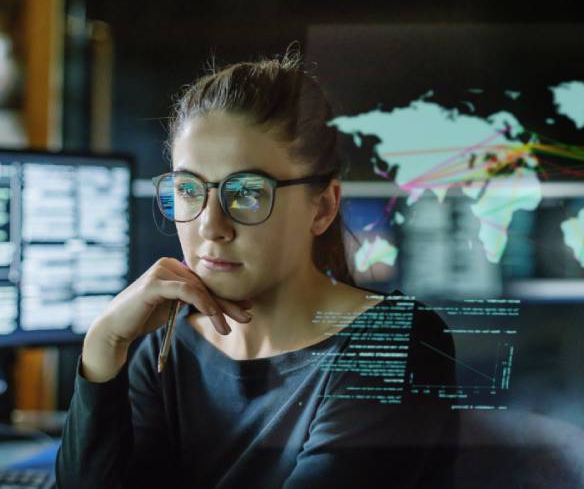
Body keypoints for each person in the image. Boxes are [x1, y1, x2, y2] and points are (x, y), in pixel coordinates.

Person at [55, 47, 459, 488]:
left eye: (247, 192)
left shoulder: (397, 344)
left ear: (322, 207)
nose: (211, 226)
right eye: (189, 189)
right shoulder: (165, 351)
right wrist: (103, 344)